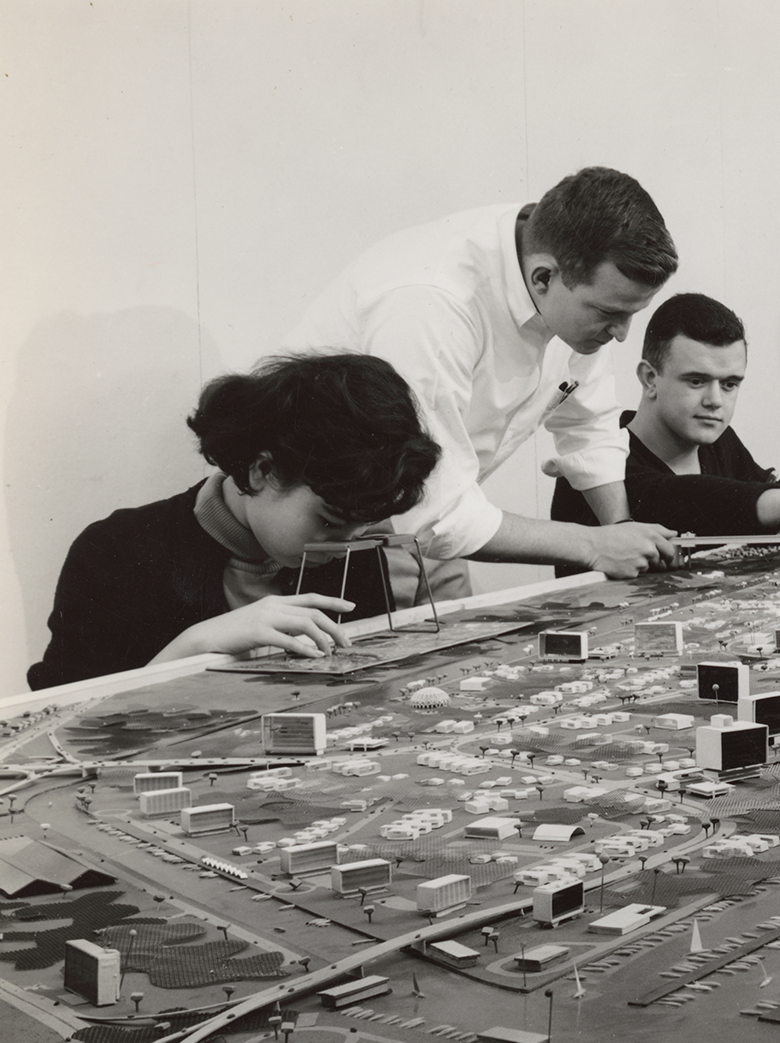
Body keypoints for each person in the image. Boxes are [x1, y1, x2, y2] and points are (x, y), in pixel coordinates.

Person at [283, 166, 688, 589]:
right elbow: (434, 514)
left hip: (434, 524)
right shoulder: (432, 303)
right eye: (609, 314)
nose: (622, 335)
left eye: (630, 315)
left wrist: (621, 528)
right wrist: (592, 544)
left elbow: (588, 423)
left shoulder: (562, 270)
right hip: (325, 534)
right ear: (543, 277)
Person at [28, 353, 440, 690]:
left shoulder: (349, 544)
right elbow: (59, 728)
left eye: (363, 527)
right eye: (330, 521)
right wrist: (195, 645)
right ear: (262, 471)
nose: (346, 545)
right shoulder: (115, 551)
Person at [550, 292, 780, 543]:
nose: (715, 401)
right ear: (650, 379)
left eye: (730, 384)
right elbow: (674, 498)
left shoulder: (719, 439)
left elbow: (756, 492)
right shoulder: (596, 457)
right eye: (696, 381)